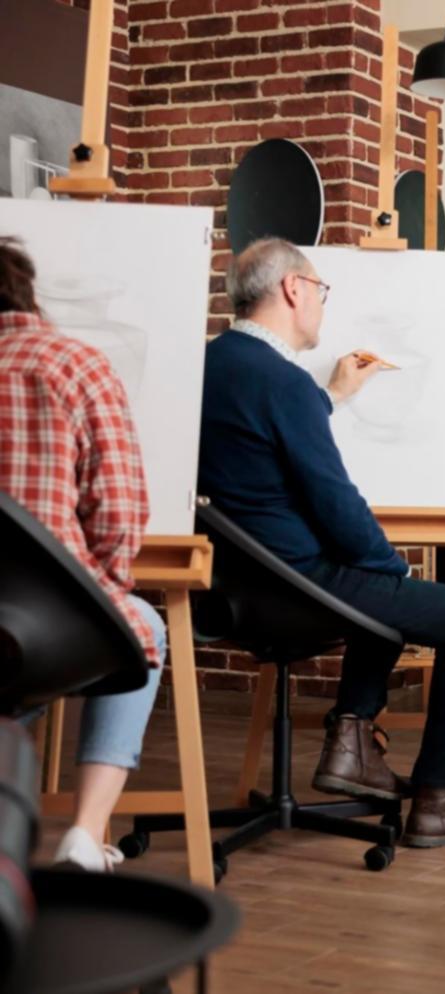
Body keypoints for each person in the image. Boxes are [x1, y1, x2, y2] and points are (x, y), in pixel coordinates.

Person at [197, 237, 445, 848]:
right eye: (320, 288)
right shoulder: (281, 382)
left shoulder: (211, 367)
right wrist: (391, 567)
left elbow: (262, 436)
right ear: (292, 289)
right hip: (298, 586)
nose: (321, 302)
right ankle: (438, 798)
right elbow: (334, 501)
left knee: (374, 580)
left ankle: (352, 744)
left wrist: (333, 396)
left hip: (234, 587)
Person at [0, 238, 167, 872]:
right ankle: (85, 832)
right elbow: (120, 516)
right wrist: (105, 588)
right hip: (51, 629)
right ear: (25, 294)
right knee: (143, 625)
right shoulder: (76, 364)